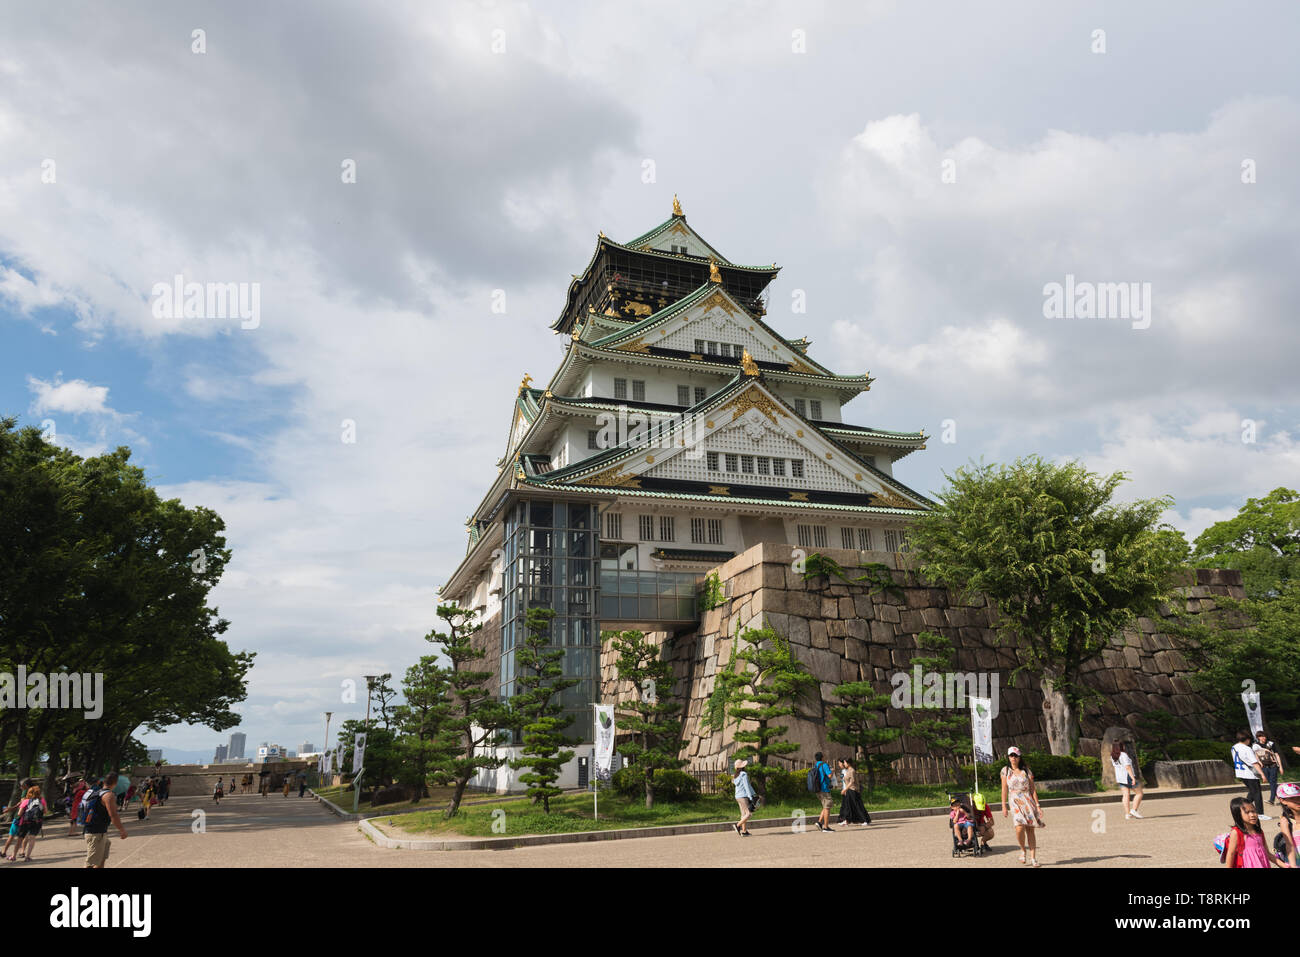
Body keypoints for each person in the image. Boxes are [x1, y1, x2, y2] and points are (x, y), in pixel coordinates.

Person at [1000, 746, 1044, 866]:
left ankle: (1033, 858)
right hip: (1014, 801)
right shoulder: (1005, 771)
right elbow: (1004, 789)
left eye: (1015, 755)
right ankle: (1023, 850)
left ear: (1019, 757)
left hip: (1028, 800)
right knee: (1019, 827)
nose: (1013, 758)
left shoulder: (1026, 771)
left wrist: (1038, 805)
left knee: (1030, 829)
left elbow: (1033, 789)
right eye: (1011, 755)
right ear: (1008, 757)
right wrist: (1003, 806)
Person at [1222, 797, 1289, 868]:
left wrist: (1284, 865)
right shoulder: (1237, 832)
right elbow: (1230, 854)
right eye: (1247, 812)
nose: (1252, 815)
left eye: (1253, 811)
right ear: (1238, 815)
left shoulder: (1259, 832)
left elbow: (1267, 854)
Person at [84, 778, 128, 868]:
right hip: (96, 834)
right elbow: (113, 815)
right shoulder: (108, 795)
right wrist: (121, 829)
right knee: (91, 864)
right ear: (115, 784)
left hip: (98, 832)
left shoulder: (96, 793)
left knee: (100, 861)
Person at [1232, 730, 1270, 819]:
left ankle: (1243, 808)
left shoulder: (1234, 747)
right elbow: (1254, 763)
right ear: (1247, 739)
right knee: (1257, 793)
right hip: (1250, 773)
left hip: (1240, 772)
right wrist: (1262, 774)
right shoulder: (1247, 748)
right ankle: (1260, 813)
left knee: (1252, 792)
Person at [1109, 739, 1144, 819]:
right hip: (1127, 776)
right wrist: (1133, 778)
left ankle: (1127, 814)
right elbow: (1127, 767)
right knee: (1139, 793)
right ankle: (1134, 810)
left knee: (1125, 795)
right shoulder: (1123, 755)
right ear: (1121, 746)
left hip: (1120, 777)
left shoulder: (1112, 756)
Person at [12, 785, 47, 861]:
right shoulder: (42, 800)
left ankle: (13, 856)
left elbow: (19, 813)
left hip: (25, 822)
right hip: (37, 822)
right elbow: (45, 811)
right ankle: (27, 857)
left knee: (20, 839)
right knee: (32, 839)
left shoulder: (26, 801)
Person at [836, 758, 871, 825]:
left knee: (857, 806)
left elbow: (852, 781)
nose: (844, 764)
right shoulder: (848, 770)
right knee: (849, 806)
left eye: (845, 762)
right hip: (849, 791)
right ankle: (847, 820)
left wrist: (845, 789)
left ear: (848, 763)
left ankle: (865, 820)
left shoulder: (852, 771)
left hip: (853, 790)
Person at [1274, 782, 1300, 866]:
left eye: (1298, 797)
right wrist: (1293, 865)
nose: (1297, 801)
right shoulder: (1286, 821)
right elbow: (1289, 845)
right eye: (1292, 798)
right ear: (1282, 800)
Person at [1254, 730, 1283, 806]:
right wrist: (1259, 762)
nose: (1263, 738)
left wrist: (1280, 767)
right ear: (1258, 737)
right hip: (1264, 766)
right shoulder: (1255, 745)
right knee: (1272, 783)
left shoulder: (1270, 744)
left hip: (1273, 765)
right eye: (1261, 736)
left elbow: (1277, 755)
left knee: (1273, 783)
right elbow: (1255, 755)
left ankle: (1272, 800)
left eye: (1264, 736)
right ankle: (1283, 798)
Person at [730, 759, 756, 836]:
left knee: (743, 814)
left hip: (737, 796)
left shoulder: (736, 776)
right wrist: (751, 796)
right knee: (748, 814)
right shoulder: (744, 774)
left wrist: (752, 794)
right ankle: (737, 826)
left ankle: (744, 831)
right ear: (743, 766)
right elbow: (747, 786)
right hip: (743, 796)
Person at [812, 752, 835, 832]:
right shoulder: (824, 765)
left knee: (825, 806)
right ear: (822, 757)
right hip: (824, 789)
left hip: (817, 789)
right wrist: (832, 771)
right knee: (828, 807)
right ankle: (826, 827)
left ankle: (819, 822)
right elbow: (829, 776)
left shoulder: (816, 765)